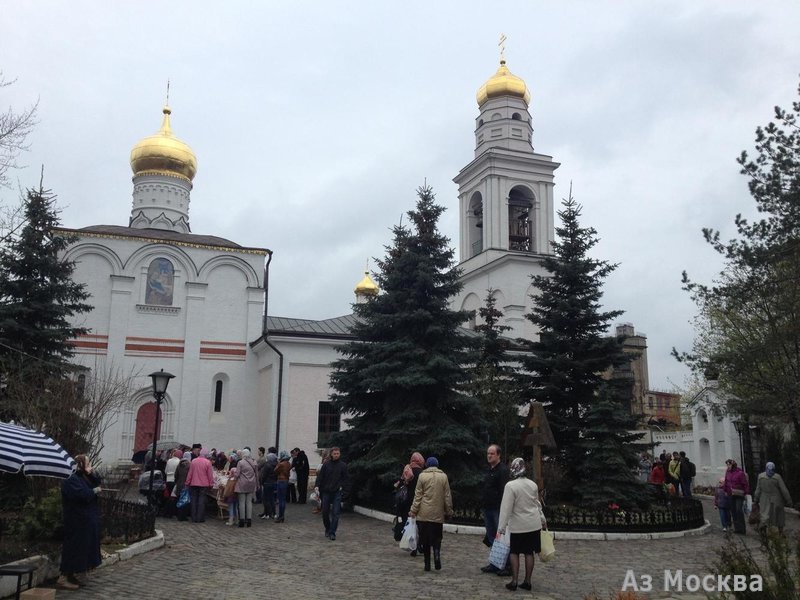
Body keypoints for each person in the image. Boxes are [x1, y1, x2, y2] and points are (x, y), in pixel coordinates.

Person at [497, 457, 545, 592]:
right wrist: (542, 519)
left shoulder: (510, 486)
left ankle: (514, 581)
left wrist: (501, 527)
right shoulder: (533, 485)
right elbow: (537, 504)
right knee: (529, 553)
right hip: (533, 524)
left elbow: (506, 508)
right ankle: (528, 581)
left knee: (514, 552)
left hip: (518, 525)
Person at [58, 454, 102, 590]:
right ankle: (64, 576)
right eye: (87, 463)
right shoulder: (70, 478)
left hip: (86, 519)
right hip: (76, 520)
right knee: (74, 548)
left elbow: (96, 482)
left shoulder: (82, 476)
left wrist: (92, 473)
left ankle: (73, 574)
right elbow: (82, 495)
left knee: (83, 549)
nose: (89, 465)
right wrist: (94, 491)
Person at [409, 456, 453, 572]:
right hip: (438, 515)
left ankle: (427, 564)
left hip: (423, 514)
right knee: (437, 538)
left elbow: (418, 496)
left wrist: (413, 510)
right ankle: (437, 556)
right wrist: (449, 511)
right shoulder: (443, 477)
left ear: (427, 465)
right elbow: (447, 496)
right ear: (437, 465)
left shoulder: (422, 476)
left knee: (425, 540)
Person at [481, 444, 510, 575]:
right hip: (488, 507)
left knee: (502, 538)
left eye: (492, 453)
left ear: (498, 455)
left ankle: (507, 566)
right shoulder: (489, 470)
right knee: (492, 537)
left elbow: (504, 491)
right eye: (488, 453)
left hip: (498, 509)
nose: (489, 455)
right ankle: (495, 562)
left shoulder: (503, 470)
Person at [315, 446, 349, 540]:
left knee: (336, 513)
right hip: (326, 491)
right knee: (325, 512)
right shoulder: (326, 465)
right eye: (335, 454)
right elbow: (320, 477)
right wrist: (317, 486)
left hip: (337, 492)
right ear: (331, 454)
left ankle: (332, 532)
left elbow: (346, 479)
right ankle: (328, 528)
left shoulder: (343, 465)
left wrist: (345, 490)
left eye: (338, 453)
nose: (336, 455)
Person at [753, 461, 793, 532]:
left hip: (764, 499)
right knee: (779, 516)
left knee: (764, 514)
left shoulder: (761, 477)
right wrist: (789, 500)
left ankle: (764, 529)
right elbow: (784, 490)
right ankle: (780, 532)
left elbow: (758, 489)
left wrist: (756, 500)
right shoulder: (777, 477)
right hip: (777, 499)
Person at [184, 447, 214, 523]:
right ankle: (200, 518)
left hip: (193, 484)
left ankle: (193, 517)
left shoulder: (193, 461)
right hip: (204, 485)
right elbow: (210, 475)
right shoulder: (208, 462)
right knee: (201, 501)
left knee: (193, 501)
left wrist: (187, 483)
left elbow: (190, 473)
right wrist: (211, 484)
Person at [723, 459, 750, 534]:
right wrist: (725, 490)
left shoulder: (739, 473)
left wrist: (746, 492)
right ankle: (737, 528)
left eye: (729, 464)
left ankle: (742, 528)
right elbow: (726, 481)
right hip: (730, 493)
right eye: (727, 465)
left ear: (733, 465)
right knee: (733, 511)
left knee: (738, 510)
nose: (728, 466)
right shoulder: (727, 472)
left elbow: (745, 484)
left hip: (739, 494)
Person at [235, 448, 259, 527]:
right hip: (251, 483)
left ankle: (242, 520)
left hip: (242, 484)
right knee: (249, 502)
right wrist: (257, 484)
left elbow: (237, 474)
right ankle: (249, 520)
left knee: (242, 502)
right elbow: (257, 474)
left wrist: (233, 476)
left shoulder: (240, 462)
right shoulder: (254, 462)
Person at [259, 447, 278, 519]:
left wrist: (262, 482)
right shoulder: (276, 464)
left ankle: (267, 514)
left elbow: (264, 475)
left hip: (267, 483)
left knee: (265, 499)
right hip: (273, 482)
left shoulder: (267, 465)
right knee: (272, 498)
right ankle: (274, 513)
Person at [173, 452, 191, 521]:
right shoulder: (189, 465)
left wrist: (177, 481)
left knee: (179, 499)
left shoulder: (179, 464)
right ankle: (183, 516)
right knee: (185, 501)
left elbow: (175, 475)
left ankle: (178, 515)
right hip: (186, 484)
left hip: (179, 484)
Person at [275, 450, 291, 522]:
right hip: (286, 481)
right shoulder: (288, 463)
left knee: (280, 499)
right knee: (283, 499)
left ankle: (280, 516)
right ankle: (282, 516)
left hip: (281, 480)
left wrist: (278, 463)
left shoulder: (281, 464)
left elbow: (275, 470)